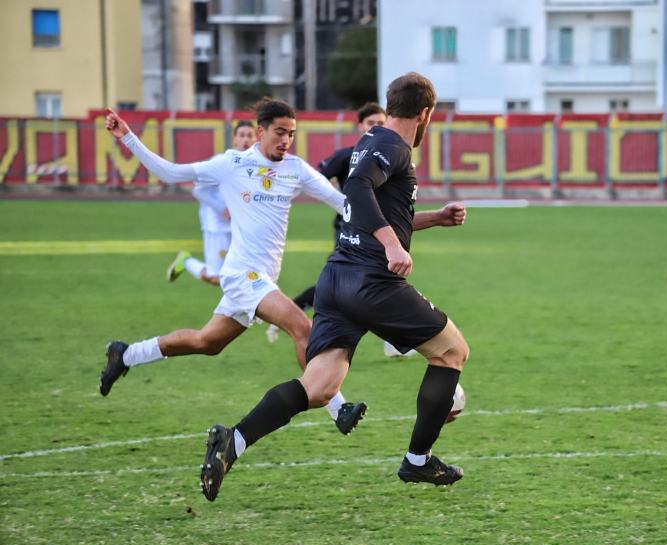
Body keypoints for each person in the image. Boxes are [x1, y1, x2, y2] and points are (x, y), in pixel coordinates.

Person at [199, 72, 470, 502]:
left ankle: (232, 441)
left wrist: (434, 218)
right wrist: (390, 245)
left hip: (337, 278)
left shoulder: (371, 142)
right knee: (453, 351)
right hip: (371, 282)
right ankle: (418, 460)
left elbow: (365, 207)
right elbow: (358, 189)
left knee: (318, 387)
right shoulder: (391, 147)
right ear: (425, 114)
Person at [98, 99, 367, 435]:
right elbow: (170, 172)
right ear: (261, 132)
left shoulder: (296, 169)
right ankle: (338, 408)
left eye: (292, 134)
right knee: (302, 328)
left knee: (207, 342)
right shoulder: (232, 164)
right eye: (280, 132)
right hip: (243, 276)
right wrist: (127, 137)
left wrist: (392, 224)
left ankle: (126, 355)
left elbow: (343, 205)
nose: (286, 140)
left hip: (262, 279)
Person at [286, 103, 416, 358]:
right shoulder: (350, 154)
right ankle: (291, 309)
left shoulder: (392, 153)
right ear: (360, 127)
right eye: (371, 123)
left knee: (369, 283)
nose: (377, 126)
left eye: (381, 121)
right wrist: (338, 199)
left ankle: (292, 310)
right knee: (356, 283)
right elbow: (315, 176)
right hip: (353, 230)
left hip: (384, 231)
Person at [166, 121, 255, 286]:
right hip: (216, 226)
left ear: (256, 140)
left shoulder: (254, 166)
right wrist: (223, 207)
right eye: (242, 135)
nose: (245, 140)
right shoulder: (221, 162)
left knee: (238, 275)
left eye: (250, 136)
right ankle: (186, 262)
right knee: (217, 278)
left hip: (237, 227)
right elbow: (199, 191)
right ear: (235, 139)